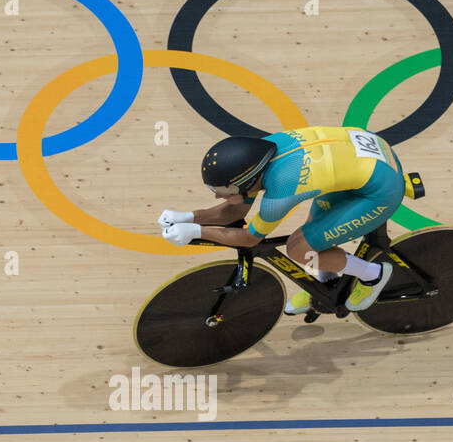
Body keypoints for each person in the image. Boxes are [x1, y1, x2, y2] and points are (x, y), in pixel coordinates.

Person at [158, 126, 414, 314]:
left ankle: (373, 275)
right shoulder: (259, 154)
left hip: (380, 190)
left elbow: (249, 239)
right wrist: (191, 216)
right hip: (366, 156)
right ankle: (326, 284)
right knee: (315, 228)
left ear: (247, 182)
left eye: (224, 191)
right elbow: (234, 212)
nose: (218, 196)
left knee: (299, 248)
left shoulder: (282, 189)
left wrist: (196, 231)